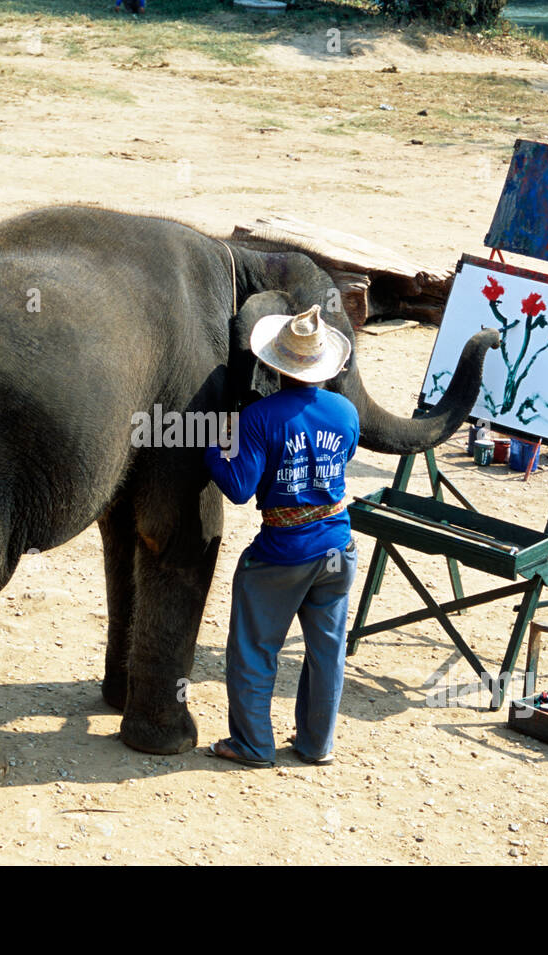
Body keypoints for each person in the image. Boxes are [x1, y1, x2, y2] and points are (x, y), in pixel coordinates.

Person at [205, 304, 360, 768]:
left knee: (255, 647)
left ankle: (252, 745)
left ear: (274, 365)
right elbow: (341, 459)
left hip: (282, 554)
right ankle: (316, 745)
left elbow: (238, 488)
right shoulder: (346, 411)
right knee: (327, 650)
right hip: (338, 546)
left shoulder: (260, 417)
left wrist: (214, 445)